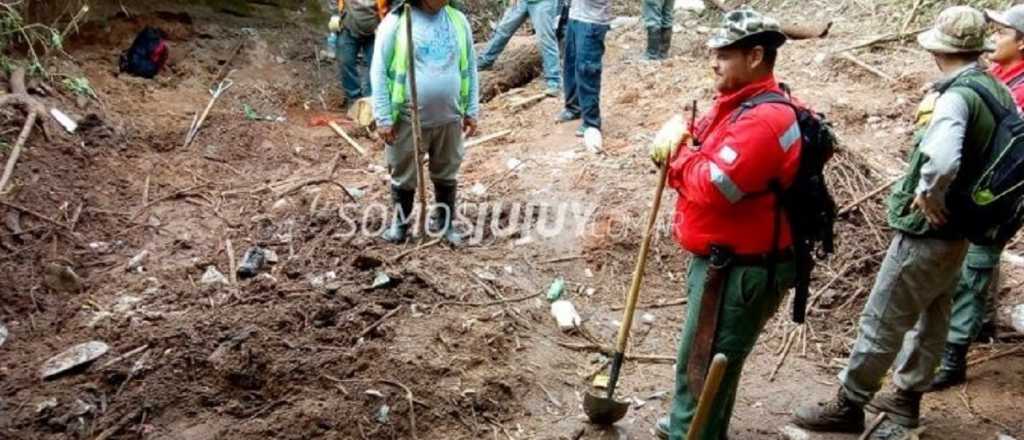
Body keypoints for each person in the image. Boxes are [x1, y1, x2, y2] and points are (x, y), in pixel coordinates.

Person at [792, 7, 1012, 440]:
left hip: (929, 229)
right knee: (934, 314)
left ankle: (850, 403)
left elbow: (944, 156)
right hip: (961, 229)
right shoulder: (993, 88)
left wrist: (929, 194)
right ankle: (905, 400)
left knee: (884, 315)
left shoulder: (955, 96)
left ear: (938, 49)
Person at [648, 9, 799, 440]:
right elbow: (700, 140)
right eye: (713, 53)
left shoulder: (764, 120)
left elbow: (714, 186)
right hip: (723, 260)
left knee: (707, 362)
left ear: (755, 56)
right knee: (702, 357)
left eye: (725, 55)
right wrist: (684, 136)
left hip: (739, 268)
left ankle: (692, 432)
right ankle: (689, 424)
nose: (714, 62)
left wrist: (676, 159)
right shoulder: (736, 104)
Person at [929, 4, 1024, 391]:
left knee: (976, 264)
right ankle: (980, 320)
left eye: (1001, 33)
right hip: (982, 188)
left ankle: (952, 358)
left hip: (996, 192)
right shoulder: (1000, 76)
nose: (992, 39)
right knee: (977, 261)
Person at [370, 0, 480, 246]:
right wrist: (384, 117)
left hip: (450, 116)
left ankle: (444, 222)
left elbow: (470, 66)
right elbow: (378, 70)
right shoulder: (397, 22)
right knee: (403, 171)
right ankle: (401, 224)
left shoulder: (458, 21)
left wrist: (472, 109)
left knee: (447, 171)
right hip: (408, 118)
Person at [555, 0, 611, 149]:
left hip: (592, 20)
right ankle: (573, 108)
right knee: (571, 66)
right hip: (575, 16)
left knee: (587, 71)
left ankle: (591, 122)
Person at [477, 0, 562, 97]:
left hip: (544, 2)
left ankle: (554, 82)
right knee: (503, 30)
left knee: (545, 39)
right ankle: (484, 62)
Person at [329, 0, 389, 108]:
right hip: (348, 25)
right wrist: (335, 14)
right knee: (345, 61)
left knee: (376, 65)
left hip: (376, 28)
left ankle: (372, 101)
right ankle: (353, 99)